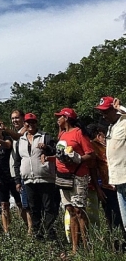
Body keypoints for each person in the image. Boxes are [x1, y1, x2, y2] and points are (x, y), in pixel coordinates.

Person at [54, 108, 94, 253]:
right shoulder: (62, 134)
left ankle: (87, 247)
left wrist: (77, 159)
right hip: (63, 177)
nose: (58, 119)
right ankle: (75, 249)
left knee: (79, 211)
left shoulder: (79, 133)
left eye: (60, 117)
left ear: (67, 118)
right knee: (70, 210)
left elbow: (90, 154)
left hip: (78, 176)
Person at [13, 113, 57, 240]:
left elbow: (55, 151)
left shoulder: (45, 136)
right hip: (28, 180)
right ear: (24, 124)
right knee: (34, 209)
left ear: (36, 123)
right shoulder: (20, 141)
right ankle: (38, 235)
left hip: (45, 178)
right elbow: (17, 162)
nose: (30, 125)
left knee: (48, 208)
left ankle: (50, 234)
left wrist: (47, 147)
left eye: (33, 122)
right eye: (28, 122)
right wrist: (17, 180)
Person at [86, 123, 124, 233]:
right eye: (101, 135)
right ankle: (118, 246)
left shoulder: (118, 142)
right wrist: (98, 189)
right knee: (113, 218)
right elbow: (93, 169)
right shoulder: (94, 146)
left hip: (122, 183)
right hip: (108, 187)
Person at [95, 97, 126, 232]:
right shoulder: (111, 128)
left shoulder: (124, 122)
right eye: (102, 112)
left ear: (115, 110)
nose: (104, 115)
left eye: (107, 111)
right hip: (118, 180)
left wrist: (122, 108)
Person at [0, 121, 22, 235]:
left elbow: (8, 145)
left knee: (19, 203)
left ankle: (27, 227)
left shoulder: (7, 138)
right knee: (4, 205)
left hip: (12, 176)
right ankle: (7, 231)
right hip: (0, 178)